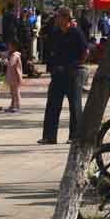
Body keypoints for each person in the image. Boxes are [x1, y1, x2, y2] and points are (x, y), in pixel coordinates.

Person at [39, 7, 88, 144]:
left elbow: (85, 51)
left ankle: (74, 136)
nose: (56, 19)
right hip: (57, 73)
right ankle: (49, 136)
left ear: (66, 18)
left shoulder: (76, 32)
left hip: (73, 73)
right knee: (52, 105)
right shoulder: (55, 33)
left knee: (75, 105)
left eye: (59, 16)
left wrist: (77, 64)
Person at [4, 40, 23, 113]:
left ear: (14, 47)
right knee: (12, 92)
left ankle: (17, 106)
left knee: (16, 92)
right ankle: (12, 105)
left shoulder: (15, 55)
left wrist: (5, 60)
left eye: (10, 46)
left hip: (15, 76)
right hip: (12, 76)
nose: (8, 47)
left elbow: (11, 63)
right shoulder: (11, 54)